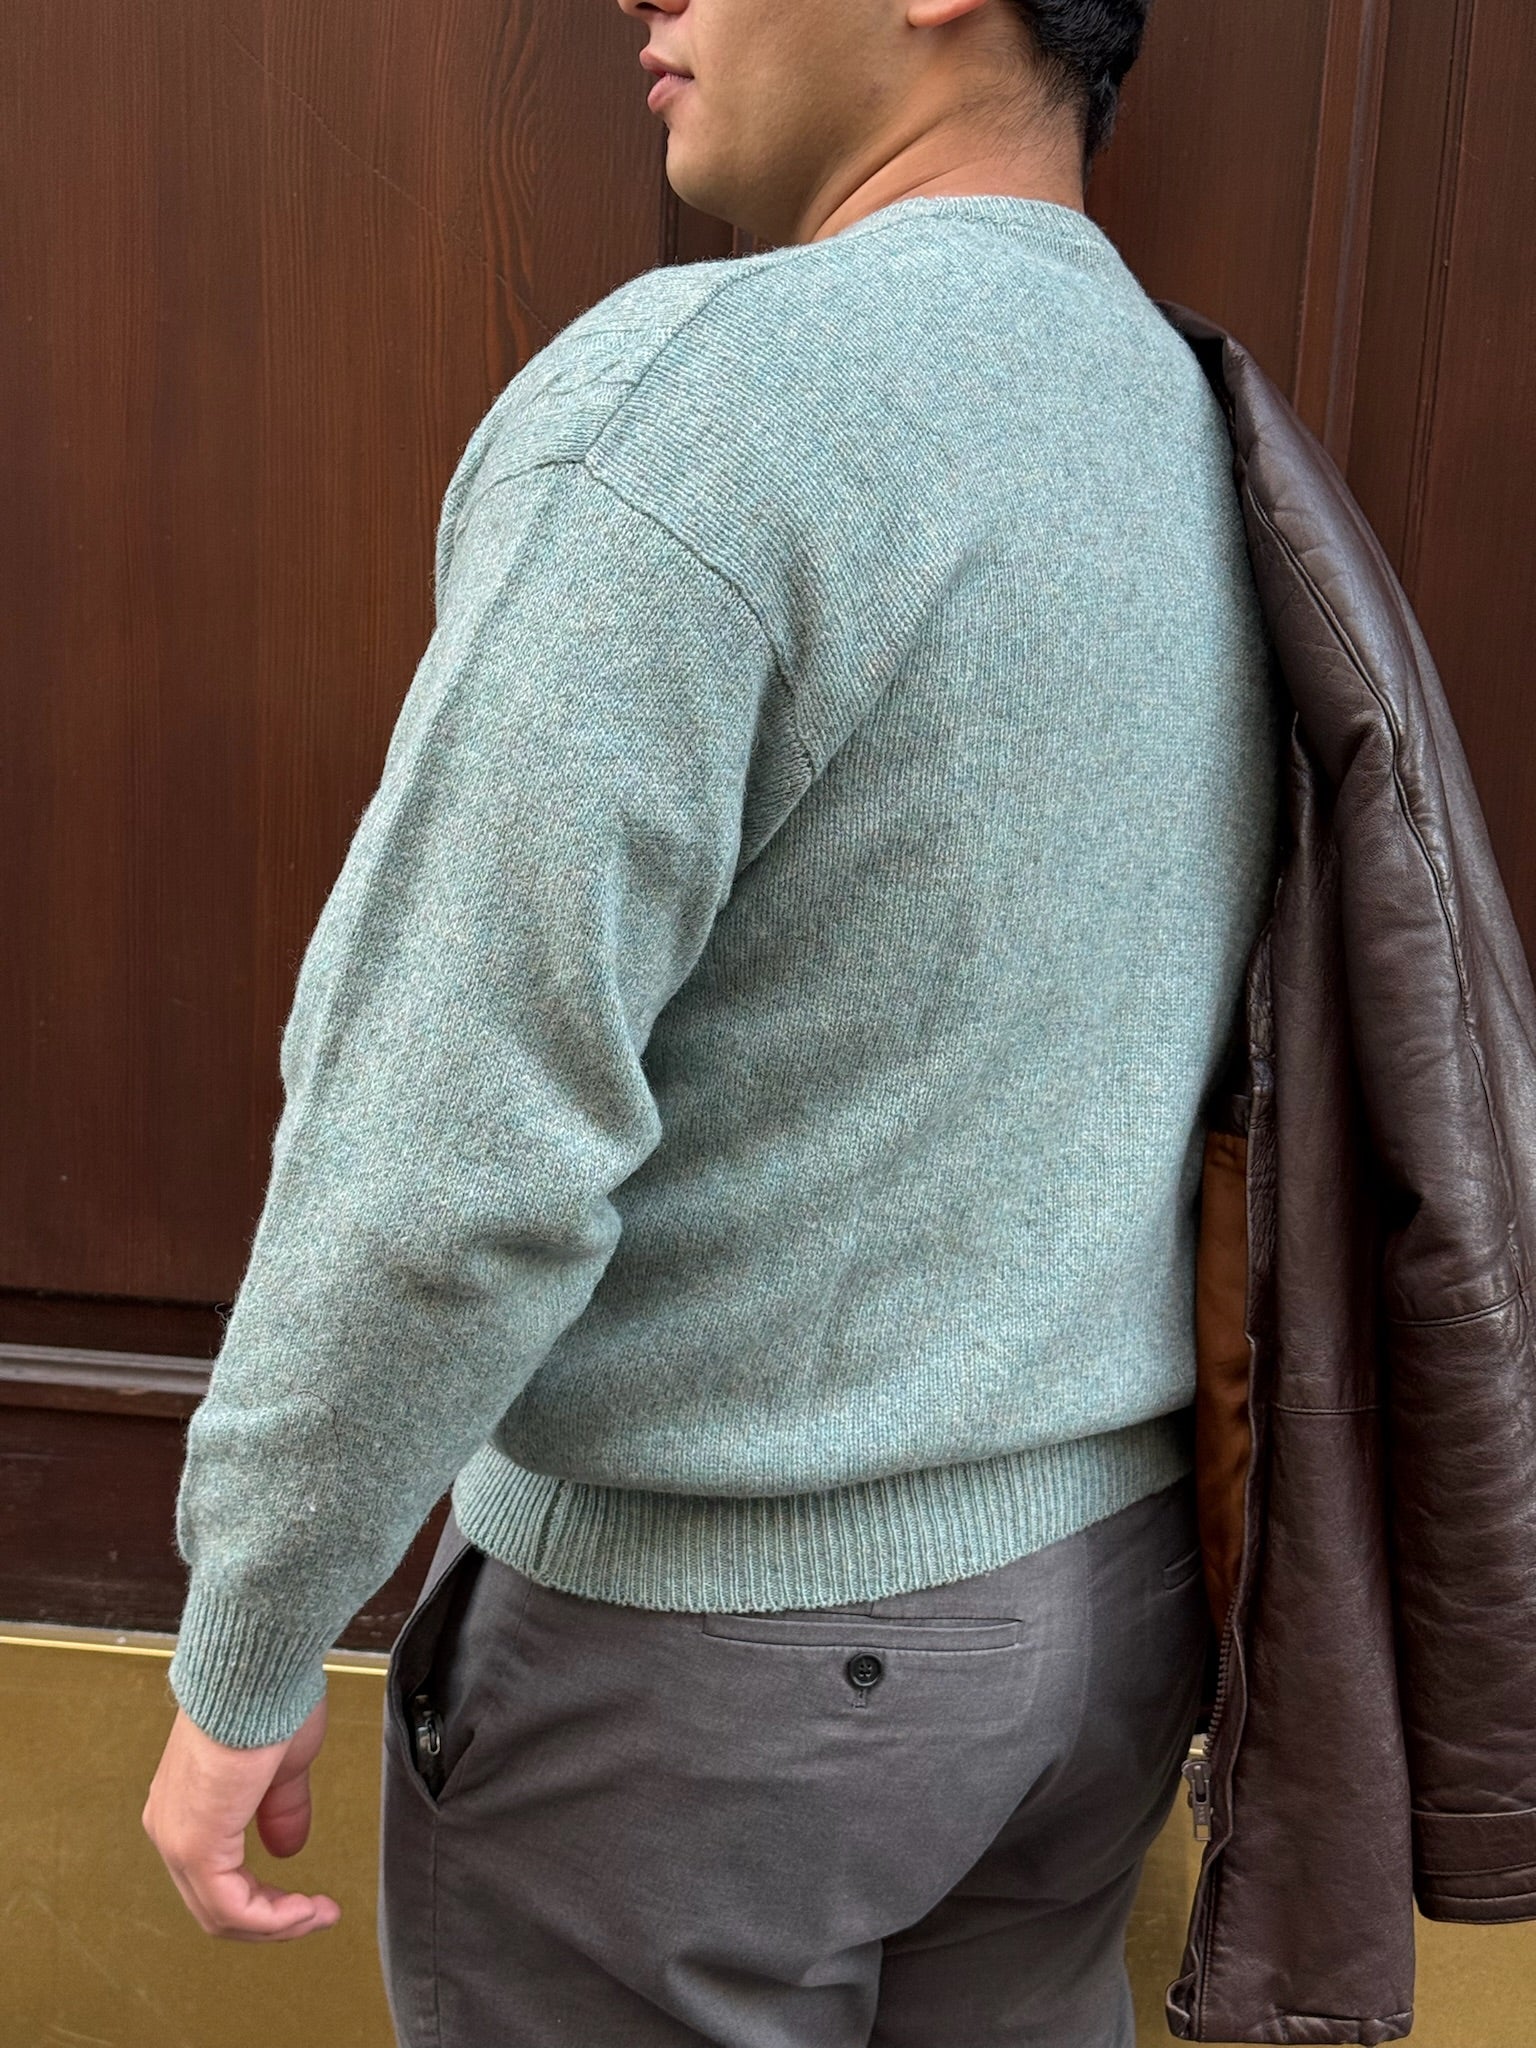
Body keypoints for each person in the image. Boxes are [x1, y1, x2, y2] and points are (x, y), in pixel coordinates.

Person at [143, 1, 1286, 2041]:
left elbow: (447, 1149)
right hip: (1104, 1625)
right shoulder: (1188, 415)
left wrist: (254, 1626)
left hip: (707, 1668)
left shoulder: (707, 406)